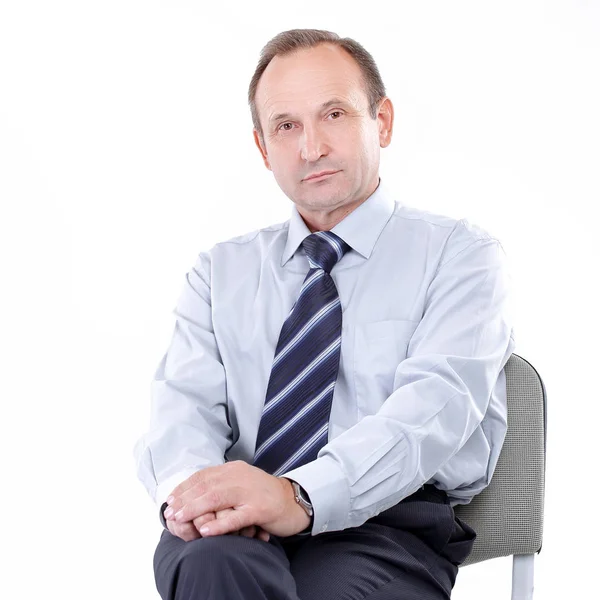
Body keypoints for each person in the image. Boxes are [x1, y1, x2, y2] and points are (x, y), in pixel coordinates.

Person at [133, 28, 515, 600]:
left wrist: (297, 496)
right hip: (235, 521)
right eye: (286, 126)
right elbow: (180, 411)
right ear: (264, 149)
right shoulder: (219, 273)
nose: (311, 147)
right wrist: (199, 497)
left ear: (381, 122)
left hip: (385, 527)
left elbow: (431, 412)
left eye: (334, 114)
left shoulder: (459, 256)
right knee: (213, 566)